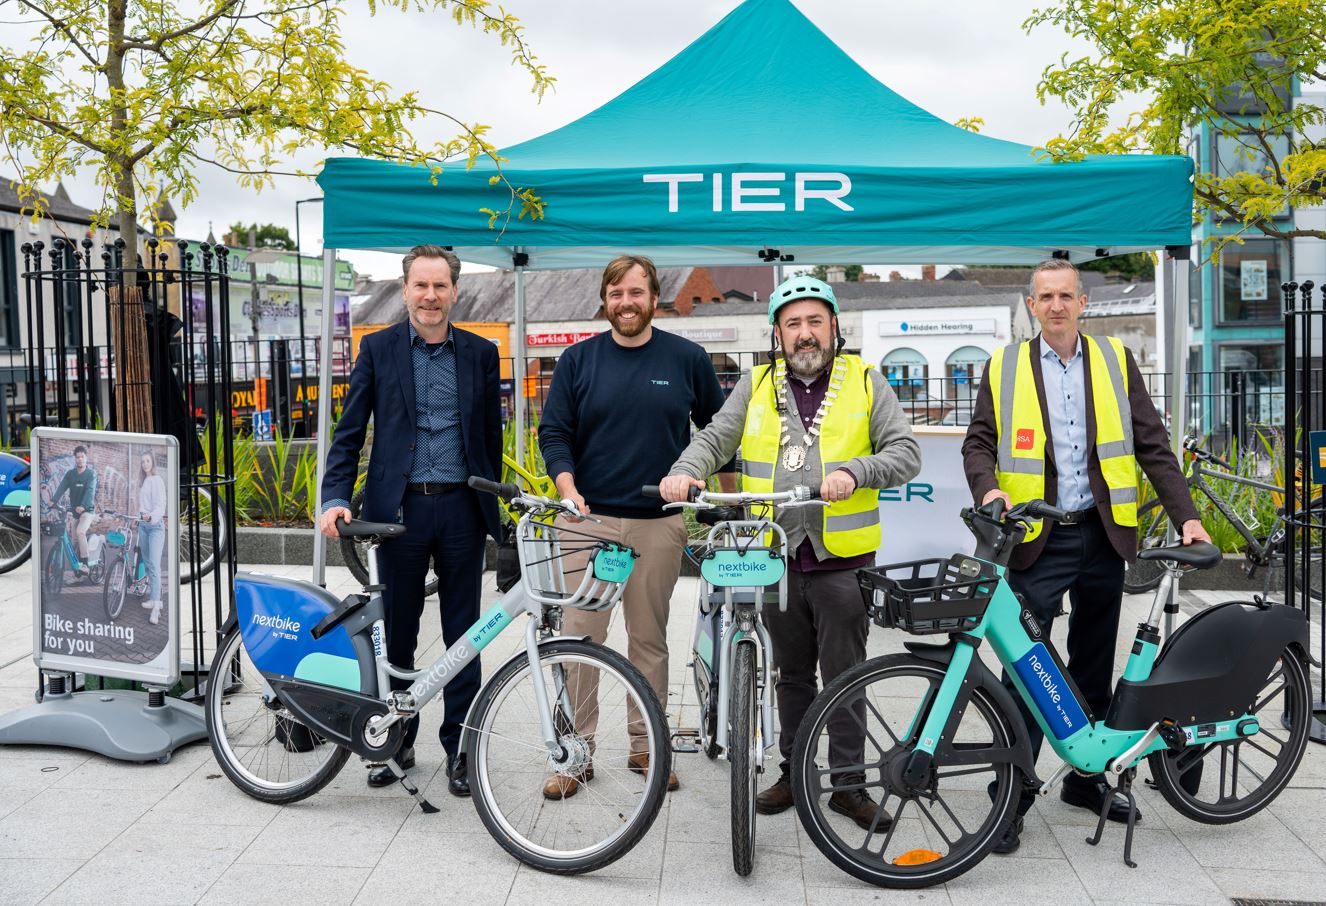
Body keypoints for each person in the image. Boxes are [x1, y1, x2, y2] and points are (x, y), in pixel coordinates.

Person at [961, 258, 1211, 854]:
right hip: (1036, 537)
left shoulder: (1115, 359)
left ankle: (1086, 777)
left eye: (1066, 296)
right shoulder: (1004, 365)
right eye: (1045, 296)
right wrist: (989, 491)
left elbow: (1152, 444)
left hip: (1103, 535)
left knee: (1093, 663)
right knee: (1026, 668)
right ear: (1031, 305)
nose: (1056, 305)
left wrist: (1187, 517)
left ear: (1083, 303)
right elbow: (978, 443)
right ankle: (1011, 796)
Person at [661, 275, 922, 831]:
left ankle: (848, 785)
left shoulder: (866, 382)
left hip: (841, 561)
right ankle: (795, 771)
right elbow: (714, 438)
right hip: (774, 557)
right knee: (791, 674)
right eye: (793, 324)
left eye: (815, 322)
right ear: (777, 334)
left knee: (845, 675)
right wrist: (686, 471)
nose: (805, 333)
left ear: (834, 327)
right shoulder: (755, 384)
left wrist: (858, 470)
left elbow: (905, 452)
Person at [537, 254, 737, 798]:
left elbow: (719, 434)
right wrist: (566, 486)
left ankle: (647, 746)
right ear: (605, 300)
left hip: (659, 524)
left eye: (636, 292)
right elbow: (554, 433)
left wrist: (725, 500)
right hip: (588, 522)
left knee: (648, 640)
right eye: (616, 293)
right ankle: (576, 753)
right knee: (581, 639)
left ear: (653, 298)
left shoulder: (687, 359)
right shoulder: (577, 360)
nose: (626, 302)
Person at [320, 244, 502, 797]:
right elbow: (350, 432)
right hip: (398, 512)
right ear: (405, 290)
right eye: (420, 285)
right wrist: (334, 496)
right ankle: (396, 739)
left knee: (464, 636)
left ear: (455, 291)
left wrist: (494, 504)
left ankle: (460, 747)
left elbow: (489, 438)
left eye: (440, 285)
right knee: (398, 633)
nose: (430, 296)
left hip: (462, 508)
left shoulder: (481, 353)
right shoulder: (377, 349)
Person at [51, 445, 98, 579]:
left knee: (80, 532)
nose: (80, 459)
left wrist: (83, 505)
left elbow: (90, 491)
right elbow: (62, 486)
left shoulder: (91, 474)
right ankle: (77, 571)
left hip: (87, 511)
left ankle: (85, 564)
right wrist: (53, 500)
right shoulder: (70, 474)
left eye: (82, 457)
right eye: (77, 457)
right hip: (75, 512)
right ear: (75, 459)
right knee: (74, 541)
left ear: (86, 458)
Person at [136, 450, 168, 626]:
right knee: (148, 565)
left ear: (153, 462)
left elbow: (160, 505)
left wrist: (151, 517)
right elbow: (143, 506)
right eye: (143, 462)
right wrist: (139, 517)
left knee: (154, 566)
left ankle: (156, 607)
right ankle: (156, 598)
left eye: (147, 461)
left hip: (155, 527)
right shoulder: (144, 482)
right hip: (143, 526)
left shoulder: (157, 480)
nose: (145, 464)